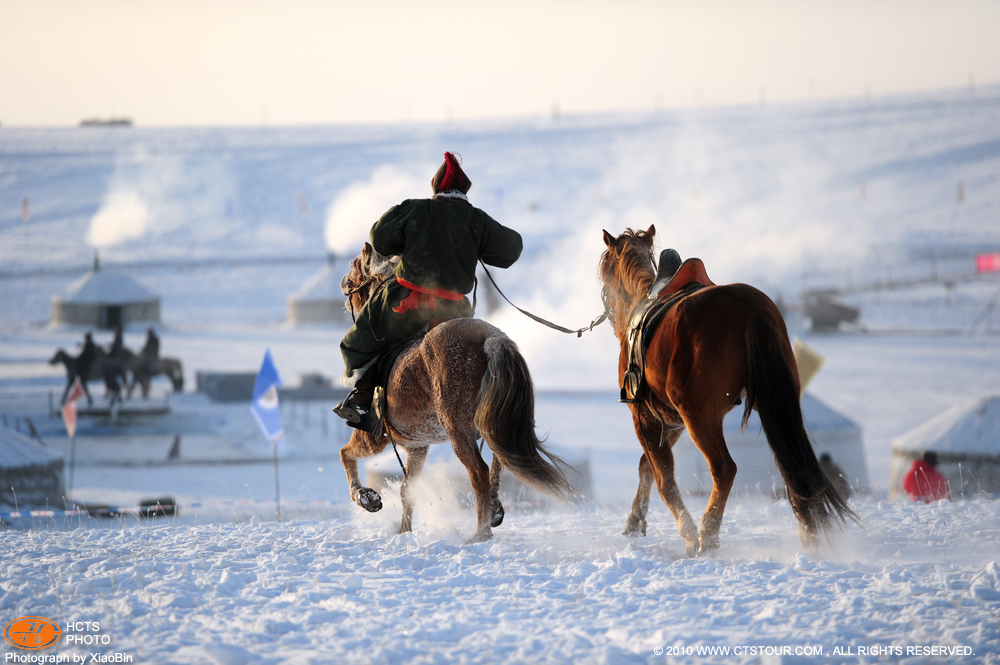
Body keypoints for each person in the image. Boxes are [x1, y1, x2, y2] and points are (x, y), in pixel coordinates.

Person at [334, 152, 523, 427]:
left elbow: (380, 238)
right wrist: (477, 244)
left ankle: (361, 402)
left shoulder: (416, 209)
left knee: (356, 342)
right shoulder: (477, 220)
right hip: (453, 311)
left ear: (436, 188)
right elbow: (512, 248)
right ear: (464, 192)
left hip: (404, 305)